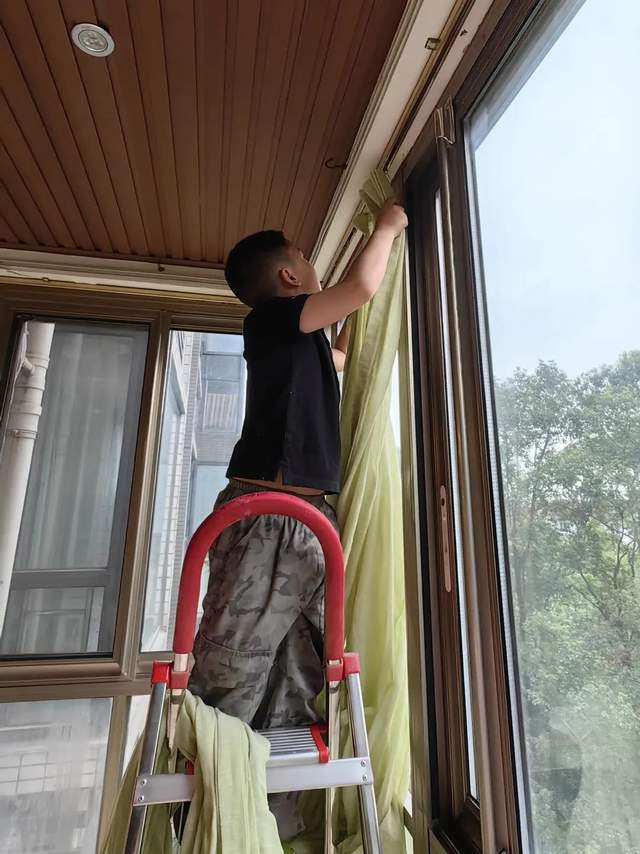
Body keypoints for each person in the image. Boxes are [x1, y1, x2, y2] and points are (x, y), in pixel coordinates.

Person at [187, 200, 408, 839]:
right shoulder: (270, 321)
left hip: (306, 519)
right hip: (268, 515)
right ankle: (203, 807)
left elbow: (344, 353)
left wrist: (368, 305)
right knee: (234, 662)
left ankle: (272, 825)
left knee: (297, 671)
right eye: (307, 259)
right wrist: (387, 225)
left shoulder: (302, 340)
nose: (313, 267)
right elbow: (359, 287)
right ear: (290, 277)